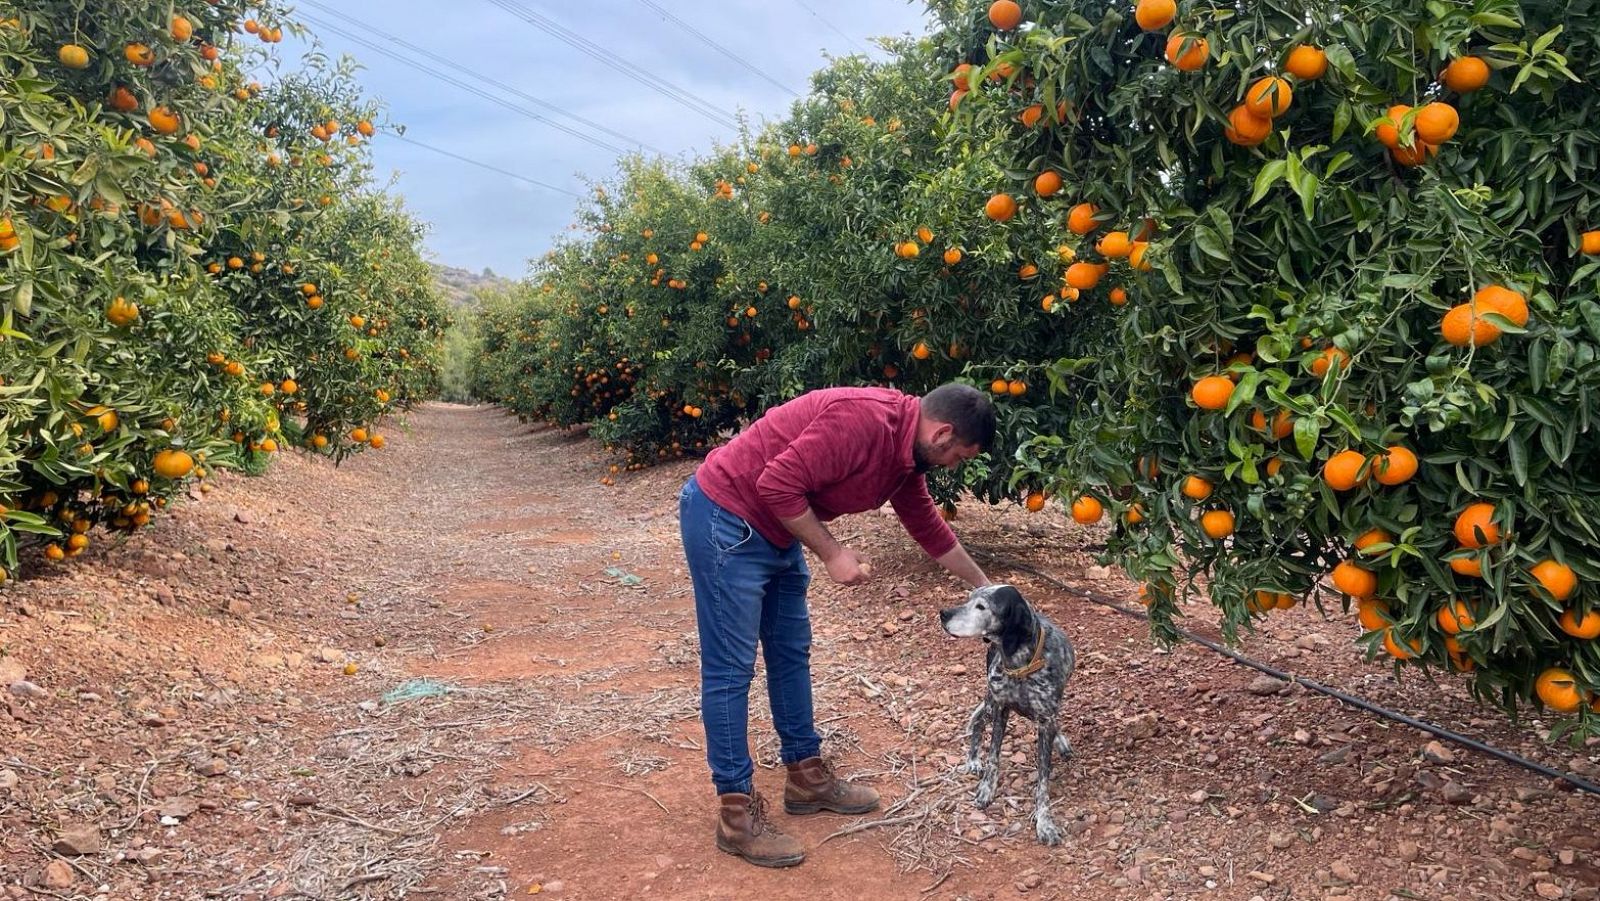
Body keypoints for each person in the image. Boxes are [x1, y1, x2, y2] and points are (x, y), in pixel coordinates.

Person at [677, 382, 995, 868]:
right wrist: (833, 553)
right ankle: (736, 814)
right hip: (728, 516)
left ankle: (806, 776)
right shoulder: (863, 420)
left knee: (789, 654)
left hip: (778, 528)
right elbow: (774, 483)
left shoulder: (906, 457)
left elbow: (927, 526)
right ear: (943, 433)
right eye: (959, 456)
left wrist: (985, 588)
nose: (955, 466)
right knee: (730, 669)